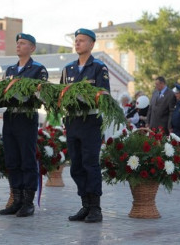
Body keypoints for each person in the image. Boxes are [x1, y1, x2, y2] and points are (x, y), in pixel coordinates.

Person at [61, 28, 109, 223]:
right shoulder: (68, 69)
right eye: (76, 40)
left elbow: (104, 94)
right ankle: (85, 205)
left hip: (90, 121)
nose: (77, 43)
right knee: (76, 166)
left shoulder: (98, 67)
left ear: (91, 44)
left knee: (90, 164)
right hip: (73, 121)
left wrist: (86, 97)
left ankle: (95, 208)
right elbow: (61, 94)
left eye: (81, 40)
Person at [0, 33, 48, 217]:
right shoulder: (10, 69)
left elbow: (41, 94)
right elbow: (1, 91)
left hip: (26, 117)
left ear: (32, 48)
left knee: (27, 159)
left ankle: (28, 202)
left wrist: (25, 95)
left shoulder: (38, 69)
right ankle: (16, 199)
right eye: (17, 42)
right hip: (10, 116)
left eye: (23, 43)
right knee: (12, 159)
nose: (18, 45)